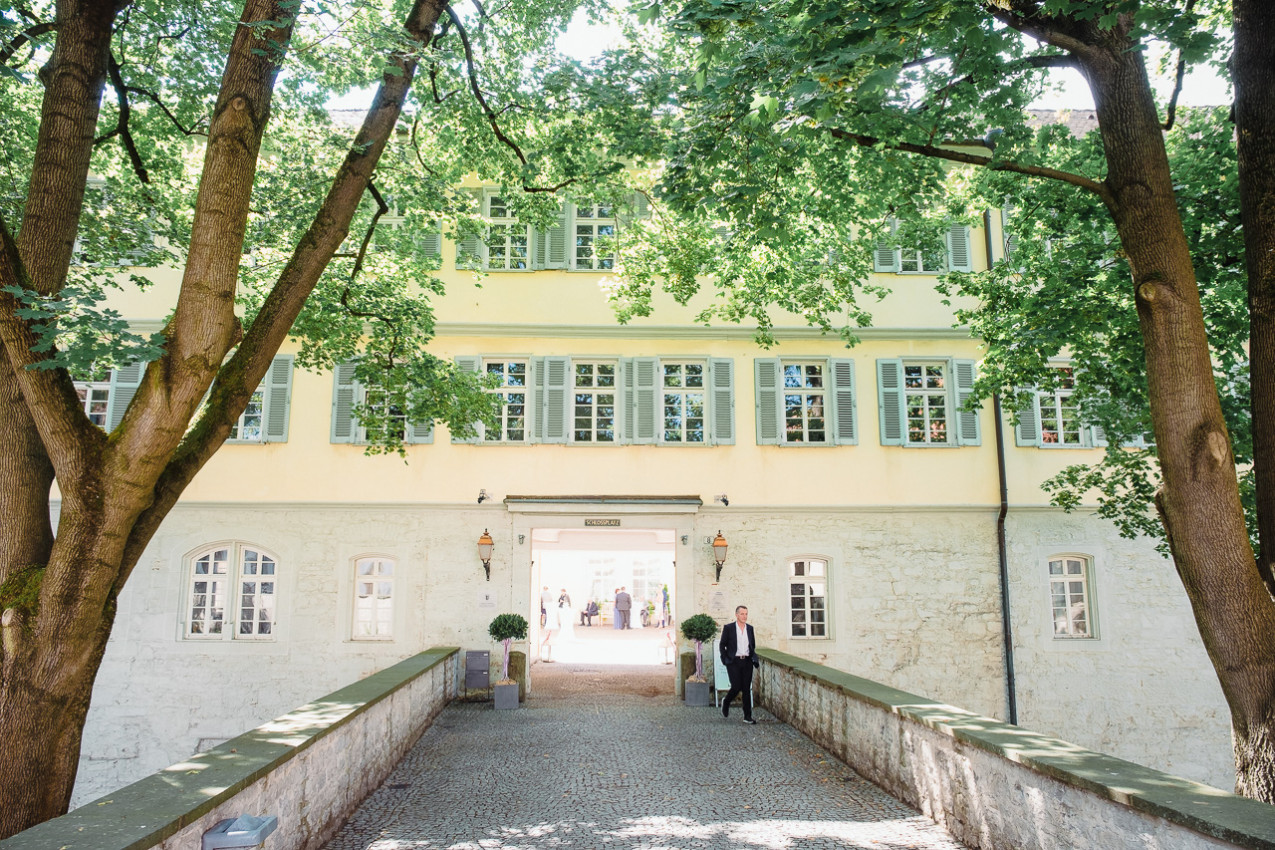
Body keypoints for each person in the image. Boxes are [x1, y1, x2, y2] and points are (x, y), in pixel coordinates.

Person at [719, 604, 758, 724]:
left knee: (746, 688)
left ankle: (747, 716)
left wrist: (753, 658)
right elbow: (722, 644)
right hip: (733, 661)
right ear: (736, 615)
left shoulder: (750, 628)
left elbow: (752, 645)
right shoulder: (729, 628)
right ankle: (726, 701)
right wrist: (725, 659)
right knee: (736, 686)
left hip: (747, 661)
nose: (744, 616)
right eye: (742, 614)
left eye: (746, 614)